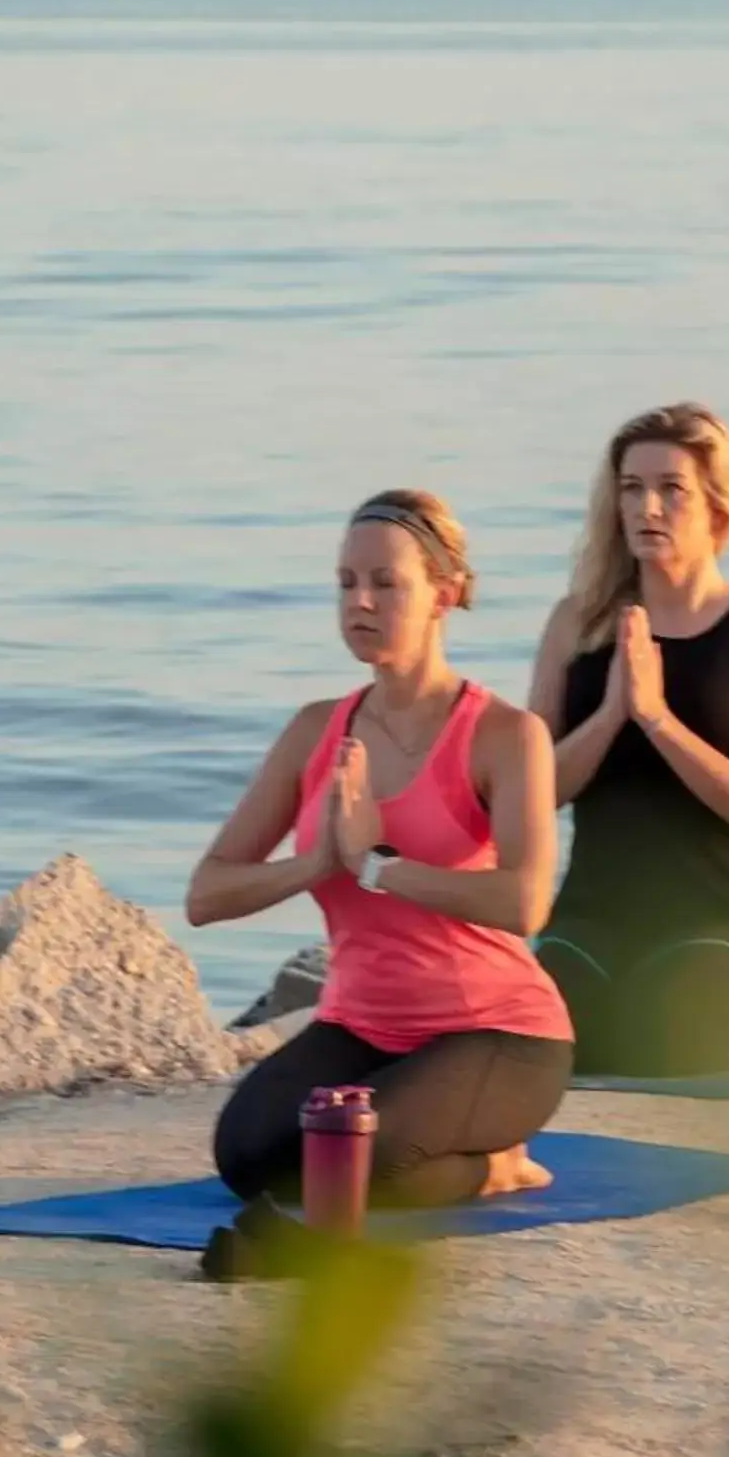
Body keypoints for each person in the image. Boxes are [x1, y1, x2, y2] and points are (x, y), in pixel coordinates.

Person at [187, 490, 571, 1281]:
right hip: (363, 1026)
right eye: (344, 582)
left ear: (446, 592)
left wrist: (374, 865)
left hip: (499, 1032)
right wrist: (317, 863)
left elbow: (524, 903)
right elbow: (207, 893)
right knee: (247, 1155)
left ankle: (496, 1164)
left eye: (385, 582)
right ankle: (450, 1148)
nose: (359, 602)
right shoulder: (313, 730)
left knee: (364, 1162)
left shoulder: (505, 736)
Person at [528, 403, 729, 1078]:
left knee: (670, 1017)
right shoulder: (578, 625)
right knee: (558, 1038)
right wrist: (610, 717)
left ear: (716, 504)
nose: (646, 506)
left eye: (670, 488)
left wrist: (657, 718)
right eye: (631, 487)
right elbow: (535, 791)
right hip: (599, 916)